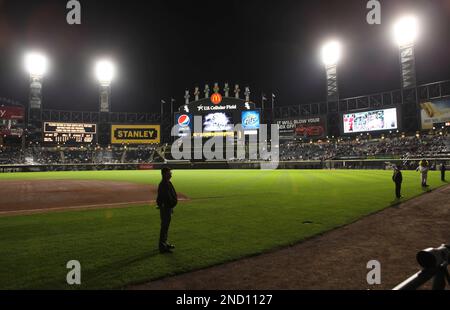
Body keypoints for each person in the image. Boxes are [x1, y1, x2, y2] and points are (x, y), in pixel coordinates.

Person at [156, 167, 178, 254]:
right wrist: (167, 206)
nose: (171, 174)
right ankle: (162, 246)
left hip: (168, 208)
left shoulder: (167, 183)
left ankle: (165, 243)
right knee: (164, 227)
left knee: (166, 227)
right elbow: (164, 198)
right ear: (165, 174)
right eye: (169, 173)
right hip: (166, 209)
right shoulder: (163, 184)